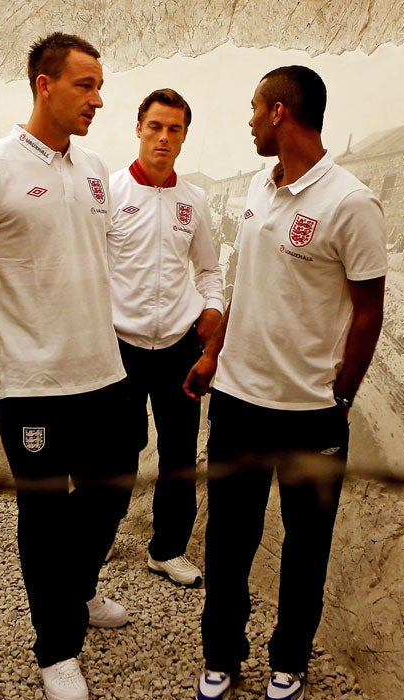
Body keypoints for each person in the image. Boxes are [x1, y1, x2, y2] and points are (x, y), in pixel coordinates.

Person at [0, 32, 134, 700]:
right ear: (45, 85)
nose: (99, 99)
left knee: (113, 492)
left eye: (100, 85)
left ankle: (75, 590)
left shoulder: (95, 167)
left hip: (105, 373)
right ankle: (57, 648)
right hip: (35, 388)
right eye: (86, 85)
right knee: (45, 519)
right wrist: (9, 340)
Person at [183, 65, 386, 700]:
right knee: (229, 538)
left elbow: (369, 311)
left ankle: (290, 661)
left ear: (278, 113)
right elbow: (245, 285)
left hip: (311, 415)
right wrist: (215, 352)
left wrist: (341, 397)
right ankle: (222, 657)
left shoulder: (351, 202)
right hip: (240, 403)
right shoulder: (255, 188)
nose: (247, 121)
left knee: (306, 546)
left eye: (253, 109)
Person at [107, 88, 224, 587]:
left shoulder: (194, 201)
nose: (163, 137)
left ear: (184, 137)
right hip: (120, 345)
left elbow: (209, 268)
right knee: (116, 450)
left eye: (174, 129)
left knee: (178, 452)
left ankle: (167, 548)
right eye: (155, 126)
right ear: (138, 128)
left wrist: (213, 308)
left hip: (179, 346)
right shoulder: (109, 192)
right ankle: (100, 533)